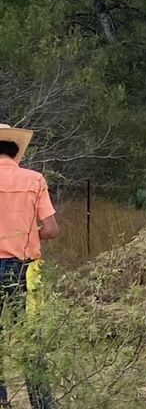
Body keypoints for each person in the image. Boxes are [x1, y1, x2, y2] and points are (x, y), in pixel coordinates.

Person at [0, 123, 58, 408]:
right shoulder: (34, 179)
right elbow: (51, 228)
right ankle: (41, 402)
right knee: (30, 341)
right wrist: (27, 233)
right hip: (24, 269)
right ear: (14, 152)